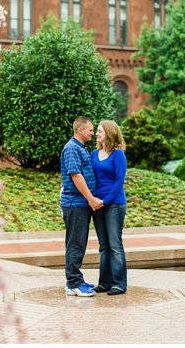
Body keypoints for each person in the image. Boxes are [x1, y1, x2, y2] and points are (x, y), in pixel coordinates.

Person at [60, 116, 103, 297]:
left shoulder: (81, 148)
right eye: (91, 130)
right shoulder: (71, 148)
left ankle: (76, 279)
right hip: (75, 204)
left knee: (79, 243)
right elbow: (76, 176)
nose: (93, 133)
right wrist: (91, 199)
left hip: (80, 204)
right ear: (80, 130)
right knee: (75, 244)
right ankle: (73, 284)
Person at [91, 119, 128, 295]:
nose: (96, 134)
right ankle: (104, 283)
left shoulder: (118, 154)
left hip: (114, 203)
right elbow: (89, 177)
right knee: (103, 246)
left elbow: (119, 181)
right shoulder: (94, 154)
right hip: (97, 204)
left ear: (109, 133)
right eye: (97, 131)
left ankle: (119, 284)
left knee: (114, 244)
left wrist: (104, 201)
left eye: (99, 131)